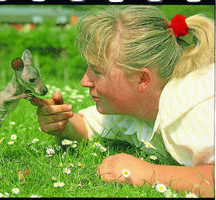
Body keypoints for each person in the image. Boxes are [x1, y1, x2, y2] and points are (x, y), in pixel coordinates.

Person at [31, 6, 214, 197]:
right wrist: (62, 123)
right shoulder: (137, 103)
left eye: (98, 71)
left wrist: (151, 174)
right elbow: (86, 125)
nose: (84, 81)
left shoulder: (198, 105)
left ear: (142, 79)